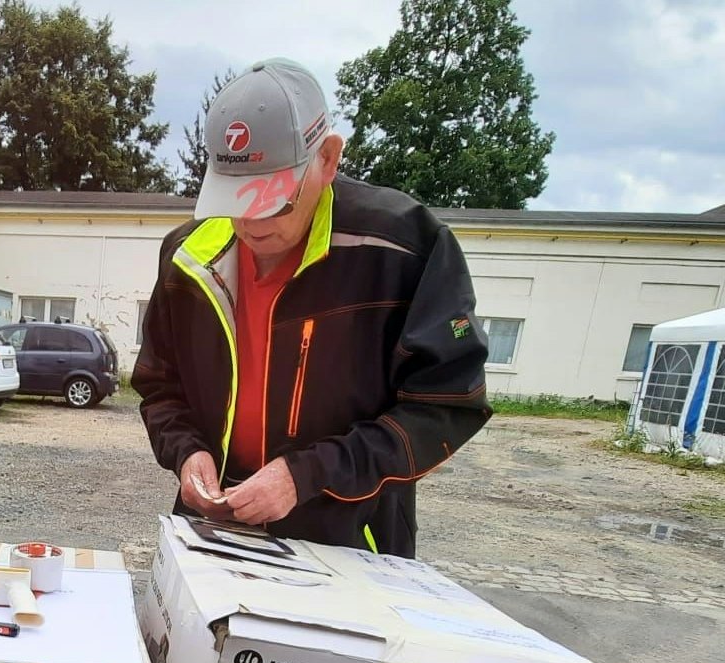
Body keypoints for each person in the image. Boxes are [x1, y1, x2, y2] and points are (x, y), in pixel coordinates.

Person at [130, 59, 492, 556]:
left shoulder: (404, 249)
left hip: (350, 539)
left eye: (274, 200)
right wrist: (187, 452)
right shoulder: (187, 257)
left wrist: (304, 476)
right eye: (235, 200)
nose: (252, 224)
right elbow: (160, 386)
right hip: (214, 531)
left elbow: (445, 407)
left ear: (327, 159)